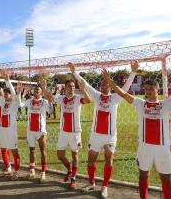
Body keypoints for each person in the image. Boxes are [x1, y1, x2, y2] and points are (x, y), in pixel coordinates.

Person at [69, 61, 138, 198]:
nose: (104, 86)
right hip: (95, 135)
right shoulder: (96, 95)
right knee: (91, 160)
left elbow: (125, 87)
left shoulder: (116, 97)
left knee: (108, 160)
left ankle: (105, 186)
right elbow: (86, 84)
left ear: (111, 86)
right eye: (102, 84)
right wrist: (74, 72)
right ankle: (92, 183)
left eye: (107, 84)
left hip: (110, 136)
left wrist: (133, 72)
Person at [103, 70, 171, 199]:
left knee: (166, 178)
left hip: (163, 148)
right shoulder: (141, 104)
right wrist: (110, 81)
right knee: (143, 175)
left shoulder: (166, 104)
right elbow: (122, 93)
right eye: (146, 89)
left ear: (158, 89)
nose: (148, 91)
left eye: (151, 89)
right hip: (144, 147)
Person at [53, 79, 91, 188]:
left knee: (75, 155)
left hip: (75, 132)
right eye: (70, 86)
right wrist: (47, 87)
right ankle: (69, 170)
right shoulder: (61, 98)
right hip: (63, 132)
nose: (72, 88)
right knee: (60, 155)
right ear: (65, 87)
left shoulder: (78, 98)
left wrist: (83, 89)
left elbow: (89, 100)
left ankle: (73, 177)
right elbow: (51, 98)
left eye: (74, 86)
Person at [19, 76, 52, 182]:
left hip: (41, 131)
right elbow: (20, 104)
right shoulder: (29, 101)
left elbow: (50, 111)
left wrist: (49, 98)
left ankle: (43, 173)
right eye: (35, 90)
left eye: (38, 90)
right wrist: (19, 93)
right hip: (30, 131)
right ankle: (32, 171)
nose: (36, 91)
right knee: (32, 151)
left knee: (43, 151)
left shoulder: (45, 102)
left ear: (41, 93)